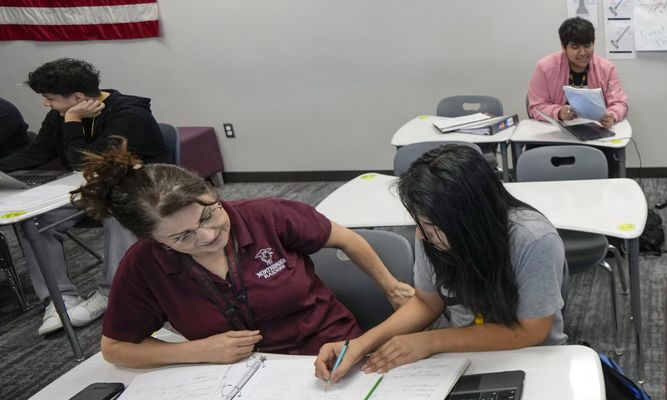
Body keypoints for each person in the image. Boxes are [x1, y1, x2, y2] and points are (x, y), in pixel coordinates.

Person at [70, 139, 413, 368]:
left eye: (209, 214)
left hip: (328, 351)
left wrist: (390, 286)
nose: (207, 236)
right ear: (152, 240)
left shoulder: (267, 215)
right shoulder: (144, 265)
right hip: (234, 375)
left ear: (211, 192)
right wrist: (196, 351)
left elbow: (347, 239)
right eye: (183, 236)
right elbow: (115, 348)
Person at [316, 145, 565, 383]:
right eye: (420, 224)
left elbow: (533, 332)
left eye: (431, 227)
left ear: (469, 221)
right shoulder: (431, 234)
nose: (422, 236)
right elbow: (426, 302)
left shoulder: (533, 240)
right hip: (462, 356)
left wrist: (431, 341)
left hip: (531, 358)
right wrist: (361, 344)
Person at [1, 58, 170, 336]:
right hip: (92, 188)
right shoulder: (60, 115)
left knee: (120, 211)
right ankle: (60, 299)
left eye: (50, 98)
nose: (46, 104)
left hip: (142, 187)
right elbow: (38, 152)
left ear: (78, 98)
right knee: (34, 220)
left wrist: (72, 120)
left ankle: (111, 293)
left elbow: (84, 162)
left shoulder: (129, 114)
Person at [528, 17, 628, 128]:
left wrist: (612, 115)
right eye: (575, 47)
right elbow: (535, 107)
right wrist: (559, 113)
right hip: (557, 130)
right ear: (563, 47)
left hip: (595, 130)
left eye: (587, 46)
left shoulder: (606, 68)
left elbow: (619, 103)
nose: (583, 53)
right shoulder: (545, 68)